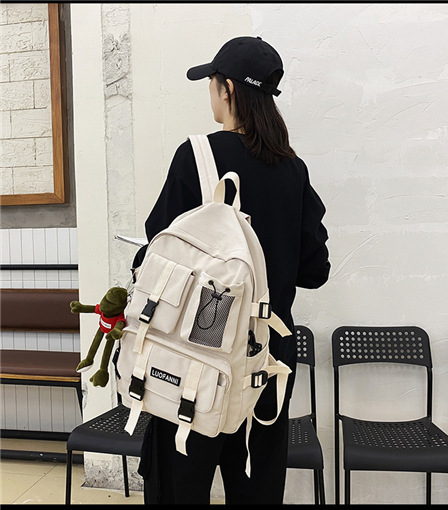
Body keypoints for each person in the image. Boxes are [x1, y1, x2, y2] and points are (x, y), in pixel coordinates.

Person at [134, 35, 330, 505]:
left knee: (180, 483)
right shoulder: (293, 170)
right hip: (267, 357)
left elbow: (155, 254)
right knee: (257, 487)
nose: (211, 92)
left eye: (212, 82)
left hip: (195, 351)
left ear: (228, 89)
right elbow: (315, 270)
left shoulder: (197, 156)